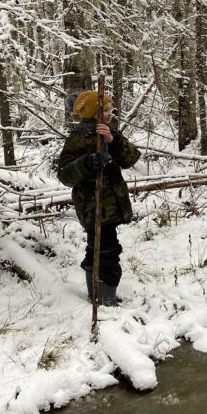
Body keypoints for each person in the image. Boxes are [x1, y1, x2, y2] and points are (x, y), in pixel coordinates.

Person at [57, 89, 141, 306]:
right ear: (93, 113)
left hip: (110, 205)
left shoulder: (108, 132)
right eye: (104, 110)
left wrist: (114, 141)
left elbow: (131, 158)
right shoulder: (78, 138)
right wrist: (87, 163)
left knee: (101, 249)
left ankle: (100, 293)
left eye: (110, 109)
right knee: (106, 251)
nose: (109, 113)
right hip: (93, 206)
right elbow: (65, 175)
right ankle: (103, 299)